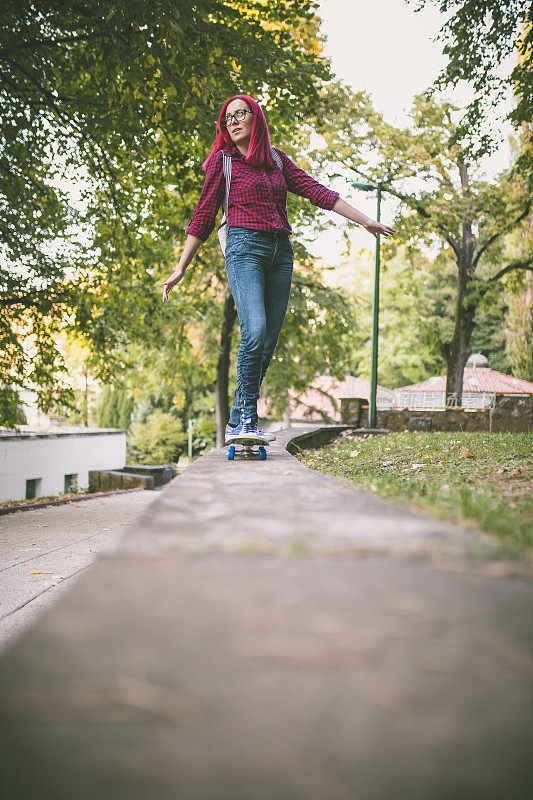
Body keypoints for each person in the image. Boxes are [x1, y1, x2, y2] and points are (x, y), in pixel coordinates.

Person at [163, 94, 395, 444]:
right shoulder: (221, 163)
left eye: (241, 114)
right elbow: (204, 216)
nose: (234, 122)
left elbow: (317, 192)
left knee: (268, 342)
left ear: (256, 118)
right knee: (254, 331)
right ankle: (245, 419)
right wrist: (181, 267)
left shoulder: (276, 160)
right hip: (243, 249)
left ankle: (240, 419)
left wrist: (365, 221)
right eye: (228, 119)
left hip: (280, 253)